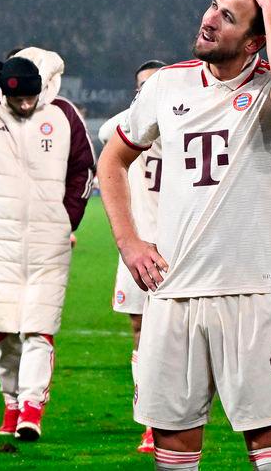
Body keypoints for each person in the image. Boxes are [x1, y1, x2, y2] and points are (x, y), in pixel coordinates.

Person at [98, 0, 271, 471]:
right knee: (173, 453)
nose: (210, 19)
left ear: (256, 40)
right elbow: (112, 159)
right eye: (213, 6)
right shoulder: (168, 84)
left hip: (253, 293)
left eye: (229, 16)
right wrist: (129, 241)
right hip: (173, 292)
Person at [0, 47, 96, 441]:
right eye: (18, 98)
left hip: (49, 242)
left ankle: (31, 409)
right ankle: (9, 405)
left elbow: (84, 168)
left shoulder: (63, 115)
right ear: (5, 93)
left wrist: (67, 218)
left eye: (31, 95)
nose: (26, 104)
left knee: (39, 329)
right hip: (0, 243)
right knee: (6, 330)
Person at [97, 58, 166, 454]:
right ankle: (149, 422)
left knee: (177, 338)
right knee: (140, 333)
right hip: (135, 246)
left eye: (154, 84)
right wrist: (147, 103)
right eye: (141, 85)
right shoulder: (128, 129)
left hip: (176, 248)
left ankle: (174, 416)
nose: (147, 90)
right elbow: (108, 131)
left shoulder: (184, 125)